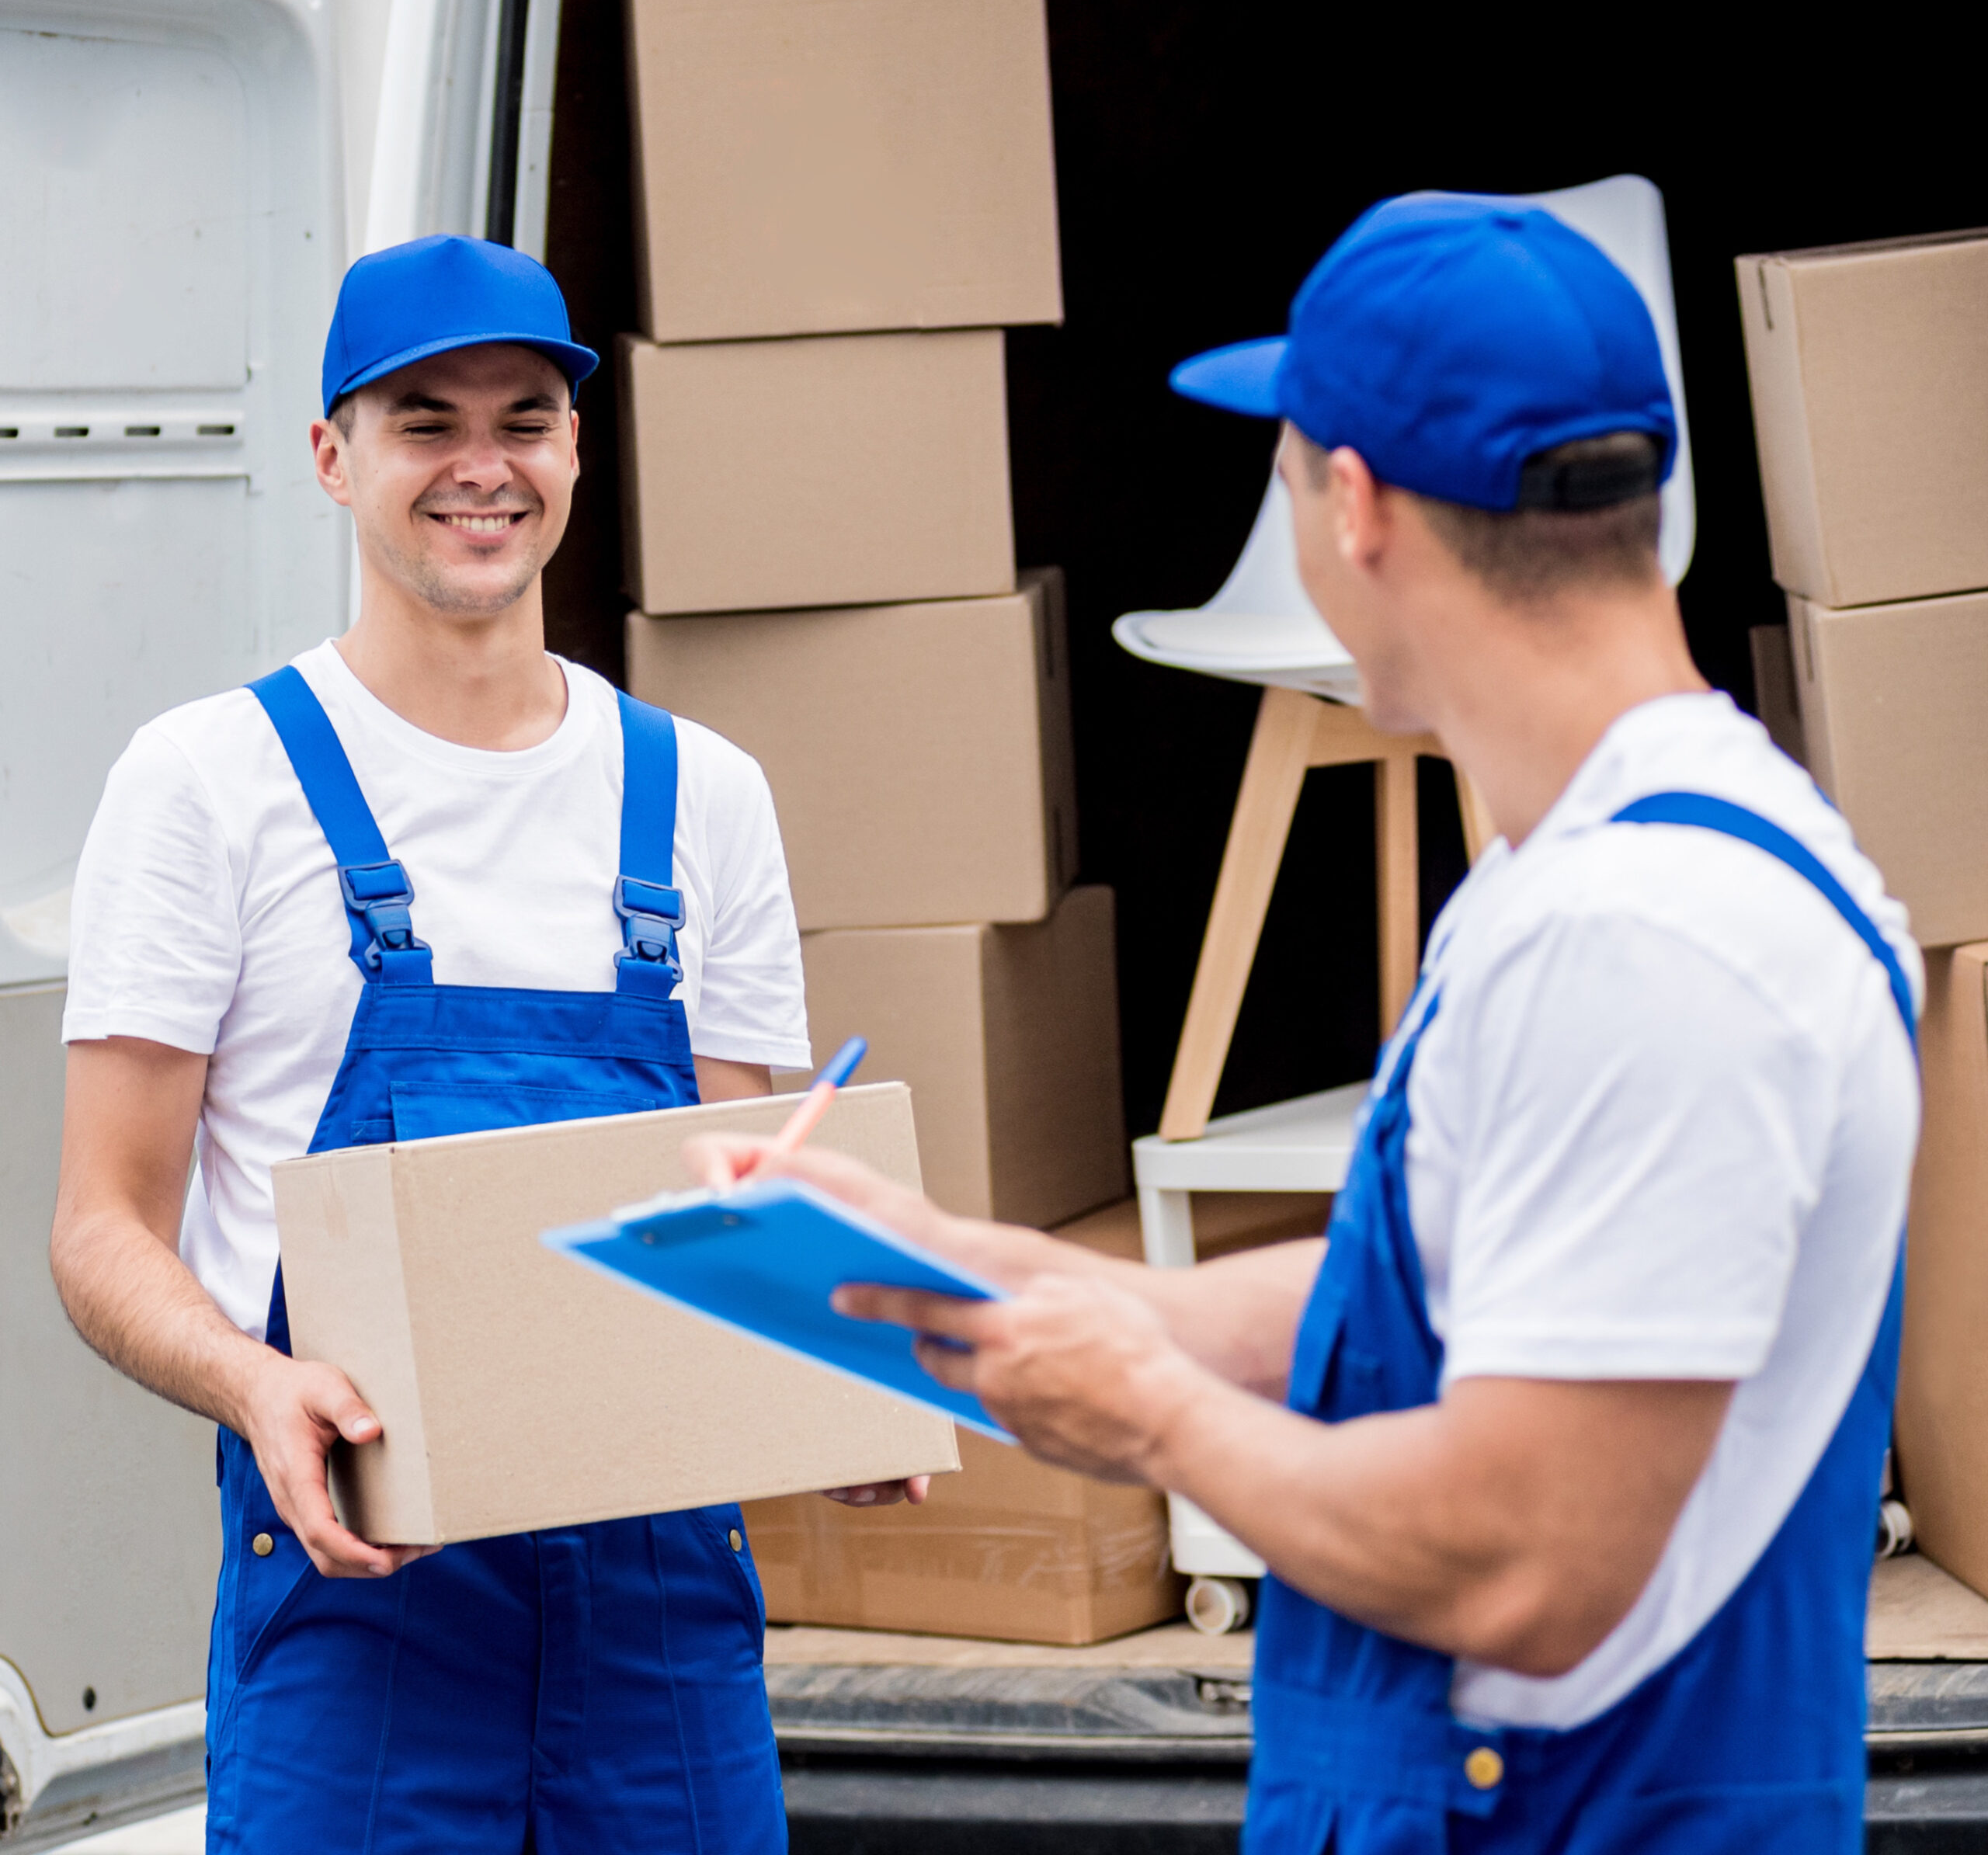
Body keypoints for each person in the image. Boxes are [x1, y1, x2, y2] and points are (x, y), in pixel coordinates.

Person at [690, 194, 1920, 1852]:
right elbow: (1436, 1273)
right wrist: (966, 1263)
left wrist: (1144, 1412)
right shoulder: (1597, 864)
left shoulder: (1647, 939)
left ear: (1348, 506)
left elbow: (1519, 1557)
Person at [48, 234, 916, 1852]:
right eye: (423, 420)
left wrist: (838, 1381)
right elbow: (99, 1225)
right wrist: (254, 1383)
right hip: (359, 1606)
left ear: (575, 449)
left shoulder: (701, 793)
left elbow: (737, 1217)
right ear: (331, 456)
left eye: (523, 417)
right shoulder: (208, 783)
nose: (480, 466)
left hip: (660, 1618)